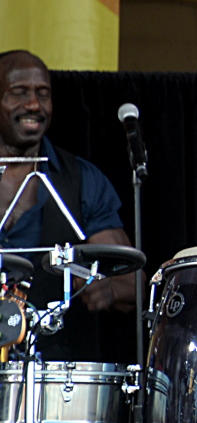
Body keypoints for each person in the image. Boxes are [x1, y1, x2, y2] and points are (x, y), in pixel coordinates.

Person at [0, 49, 136, 326]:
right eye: (19, 92)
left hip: (48, 361)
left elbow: (134, 281)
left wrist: (108, 289)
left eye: (43, 93)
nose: (35, 105)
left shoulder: (81, 181)